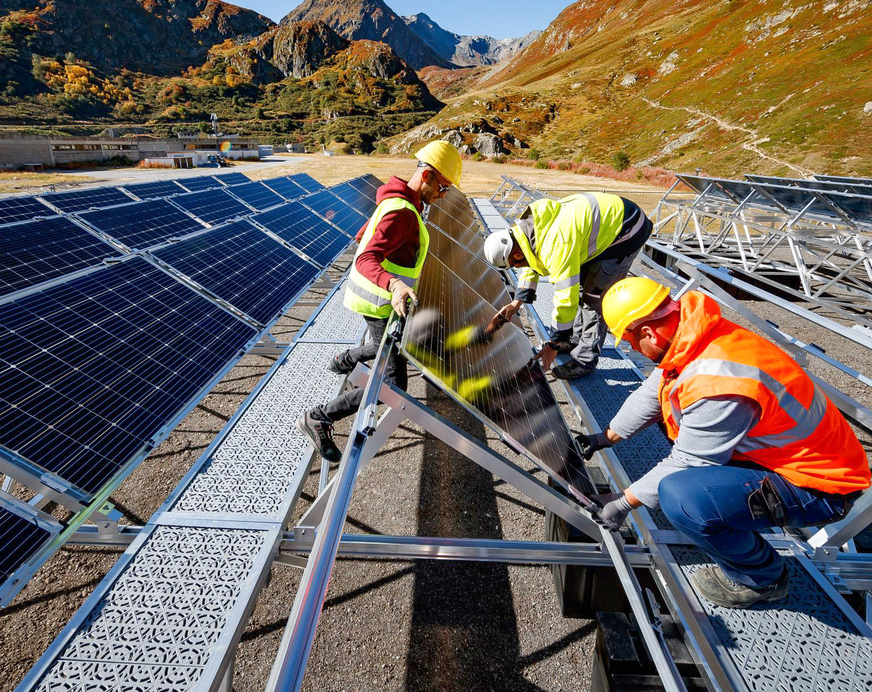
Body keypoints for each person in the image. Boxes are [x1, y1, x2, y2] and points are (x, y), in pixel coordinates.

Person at [582, 276, 870, 608]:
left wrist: (621, 503)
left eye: (629, 342)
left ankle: (763, 577)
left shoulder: (718, 380)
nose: (631, 349)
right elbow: (653, 392)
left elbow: (689, 462)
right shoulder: (696, 335)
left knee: (681, 496)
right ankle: (733, 508)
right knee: (672, 416)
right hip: (795, 456)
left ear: (647, 332)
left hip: (820, 486)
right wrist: (606, 437)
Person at [297, 140, 463, 462]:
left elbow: (365, 237)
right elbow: (366, 258)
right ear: (426, 175)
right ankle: (319, 417)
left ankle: (345, 359)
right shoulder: (402, 212)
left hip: (383, 302)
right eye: (442, 187)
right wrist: (394, 283)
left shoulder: (401, 202)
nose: (443, 196)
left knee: (395, 344)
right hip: (381, 303)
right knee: (392, 386)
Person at [482, 193, 652, 379]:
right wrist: (517, 302)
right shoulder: (526, 233)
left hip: (627, 229)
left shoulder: (556, 244)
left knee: (593, 299)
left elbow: (565, 298)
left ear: (515, 255)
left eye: (515, 265)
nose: (518, 268)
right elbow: (533, 262)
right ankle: (572, 340)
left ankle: (584, 361)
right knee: (580, 288)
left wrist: (554, 343)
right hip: (602, 225)